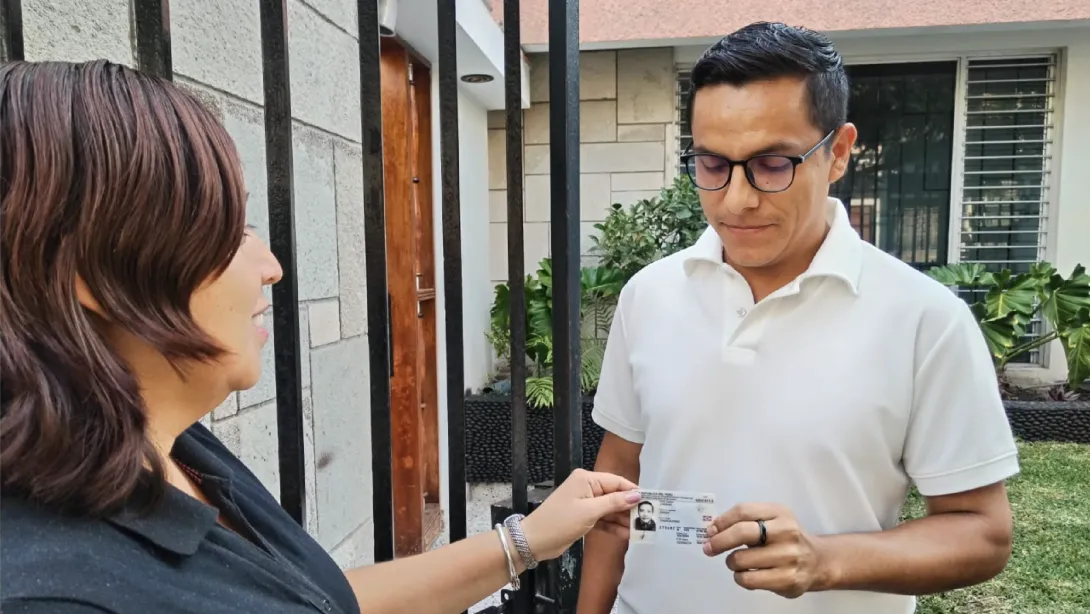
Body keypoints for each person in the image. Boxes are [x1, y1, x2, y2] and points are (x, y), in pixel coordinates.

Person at [0, 60, 641, 614]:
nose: (270, 265)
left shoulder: (166, 448)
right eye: (231, 228)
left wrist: (526, 541)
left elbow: (315, 599)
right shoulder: (49, 593)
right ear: (91, 270)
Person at [578, 22, 1019, 614]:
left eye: (772, 163)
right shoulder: (649, 295)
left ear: (838, 152)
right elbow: (616, 491)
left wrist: (824, 560)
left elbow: (982, 533)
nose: (737, 199)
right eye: (712, 163)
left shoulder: (925, 320)